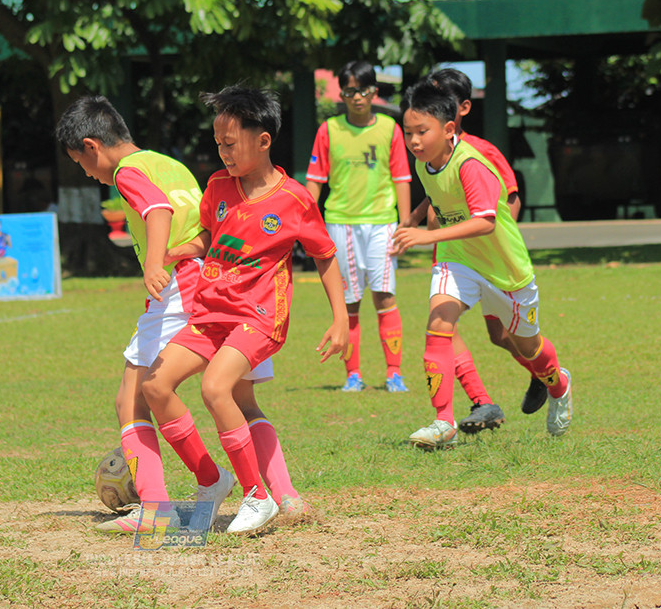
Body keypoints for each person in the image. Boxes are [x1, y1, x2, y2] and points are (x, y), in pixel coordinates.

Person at [56, 95, 300, 535]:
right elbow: (205, 226)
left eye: (81, 163)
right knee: (241, 399)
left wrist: (154, 263)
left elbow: (157, 210)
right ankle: (285, 496)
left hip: (180, 287)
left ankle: (159, 506)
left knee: (132, 397)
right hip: (230, 289)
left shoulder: (129, 172)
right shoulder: (165, 162)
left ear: (92, 146)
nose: (87, 173)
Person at [141, 86, 349, 533]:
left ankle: (259, 496)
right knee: (155, 386)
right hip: (210, 313)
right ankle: (212, 480)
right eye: (218, 143)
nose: (223, 153)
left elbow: (325, 255)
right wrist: (173, 254)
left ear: (263, 140)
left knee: (218, 388)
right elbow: (209, 238)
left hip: (258, 318)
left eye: (230, 144)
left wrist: (341, 320)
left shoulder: (294, 200)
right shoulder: (218, 185)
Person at [392, 80, 573, 449]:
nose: (414, 141)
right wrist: (414, 222)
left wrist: (425, 236)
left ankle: (560, 386)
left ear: (447, 129)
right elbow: (438, 199)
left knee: (529, 349)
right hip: (458, 260)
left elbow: (486, 222)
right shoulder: (425, 163)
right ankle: (443, 422)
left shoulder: (472, 163)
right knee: (438, 326)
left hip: (506, 271)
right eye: (408, 132)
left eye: (421, 132)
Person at [305, 61, 412, 394]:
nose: (357, 98)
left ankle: (394, 373)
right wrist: (307, 223)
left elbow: (402, 178)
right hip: (341, 223)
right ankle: (353, 375)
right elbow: (315, 180)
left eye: (363, 91)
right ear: (343, 94)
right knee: (349, 302)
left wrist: (405, 223)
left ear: (374, 92)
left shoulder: (390, 129)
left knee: (385, 296)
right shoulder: (329, 130)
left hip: (382, 222)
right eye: (350, 91)